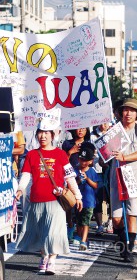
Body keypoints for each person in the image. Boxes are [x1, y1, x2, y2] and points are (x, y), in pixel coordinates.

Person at [15, 111, 83, 275]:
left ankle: (51, 260)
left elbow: (70, 177)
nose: (42, 136)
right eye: (40, 133)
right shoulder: (31, 154)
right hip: (36, 200)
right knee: (41, 232)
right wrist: (20, 189)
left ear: (53, 135)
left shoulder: (60, 154)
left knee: (54, 232)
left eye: (46, 133)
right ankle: (44, 257)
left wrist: (78, 196)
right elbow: (26, 175)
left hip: (56, 200)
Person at [110, 98, 137, 262]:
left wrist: (124, 157)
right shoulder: (115, 130)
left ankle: (128, 248)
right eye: (125, 110)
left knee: (132, 214)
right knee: (116, 218)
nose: (128, 113)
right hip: (116, 175)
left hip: (134, 176)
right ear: (120, 113)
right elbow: (106, 154)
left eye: (132, 110)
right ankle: (123, 241)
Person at [62, 127, 91, 241]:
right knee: (68, 203)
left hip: (82, 175)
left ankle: (80, 232)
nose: (80, 131)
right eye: (78, 129)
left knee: (82, 204)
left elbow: (91, 160)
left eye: (83, 129)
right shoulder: (67, 143)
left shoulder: (88, 144)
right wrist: (70, 152)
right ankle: (69, 226)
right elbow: (62, 160)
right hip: (68, 175)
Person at [74, 144, 99, 250]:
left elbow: (96, 185)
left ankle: (83, 241)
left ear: (90, 161)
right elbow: (72, 184)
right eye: (81, 159)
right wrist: (79, 180)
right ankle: (83, 238)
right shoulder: (75, 170)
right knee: (79, 222)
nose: (83, 162)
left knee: (86, 222)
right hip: (77, 200)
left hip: (89, 201)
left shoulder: (92, 171)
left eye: (85, 160)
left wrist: (87, 179)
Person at [90, 123, 112, 235]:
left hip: (110, 169)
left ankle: (110, 220)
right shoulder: (93, 135)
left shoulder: (113, 133)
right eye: (102, 122)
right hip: (97, 169)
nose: (105, 125)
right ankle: (99, 225)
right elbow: (91, 152)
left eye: (107, 122)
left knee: (111, 196)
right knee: (98, 197)